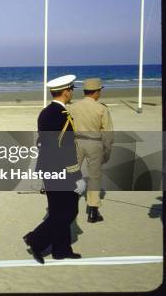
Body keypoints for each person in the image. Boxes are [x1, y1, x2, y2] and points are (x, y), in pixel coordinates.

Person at [23, 75, 85, 264]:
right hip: (62, 170)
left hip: (48, 168)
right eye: (71, 89)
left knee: (59, 210)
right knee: (67, 212)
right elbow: (65, 147)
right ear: (66, 92)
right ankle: (35, 239)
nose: (72, 92)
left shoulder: (45, 112)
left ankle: (61, 249)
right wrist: (76, 176)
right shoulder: (61, 115)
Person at [68, 78, 114, 223]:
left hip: (77, 142)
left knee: (71, 173)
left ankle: (67, 204)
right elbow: (108, 134)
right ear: (97, 92)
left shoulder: (73, 106)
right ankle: (93, 211)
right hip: (95, 143)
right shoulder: (101, 108)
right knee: (95, 176)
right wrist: (107, 151)